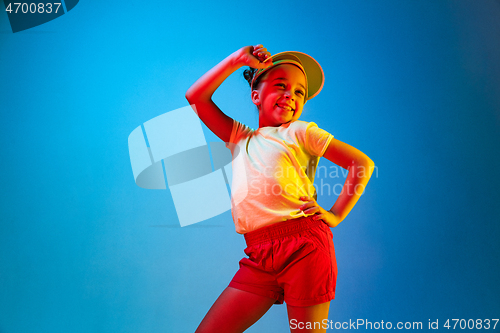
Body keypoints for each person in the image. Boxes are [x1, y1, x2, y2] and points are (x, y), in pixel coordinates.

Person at [185, 44, 375, 333]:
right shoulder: (239, 138)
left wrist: (335, 214)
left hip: (305, 247)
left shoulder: (301, 132)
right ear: (256, 96)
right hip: (258, 256)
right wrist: (236, 60)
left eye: (300, 92)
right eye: (281, 85)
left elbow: (361, 163)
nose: (291, 95)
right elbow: (196, 96)